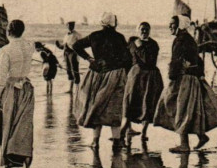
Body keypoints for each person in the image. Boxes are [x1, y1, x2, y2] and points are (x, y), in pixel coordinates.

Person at [154, 15, 217, 153]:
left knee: (181, 109)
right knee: (189, 109)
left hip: (183, 79)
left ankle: (184, 144)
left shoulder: (180, 40)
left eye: (173, 24)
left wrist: (172, 76)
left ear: (180, 25)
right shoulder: (189, 39)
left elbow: (176, 61)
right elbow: (198, 60)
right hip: (191, 79)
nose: (170, 26)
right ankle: (201, 136)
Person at [73, 12, 132, 149]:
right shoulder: (119, 37)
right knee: (114, 110)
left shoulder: (95, 36)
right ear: (114, 24)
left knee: (96, 107)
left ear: (102, 23)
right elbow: (128, 59)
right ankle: (117, 142)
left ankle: (95, 141)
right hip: (115, 75)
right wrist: (125, 73)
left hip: (97, 75)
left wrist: (89, 59)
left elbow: (76, 46)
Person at [0, 20, 35, 168]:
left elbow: (1, 77)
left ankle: (8, 162)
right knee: (24, 125)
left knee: (7, 124)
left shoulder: (5, 50)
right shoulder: (30, 47)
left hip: (11, 89)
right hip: (27, 88)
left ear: (7, 32)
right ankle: (26, 159)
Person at [120, 22, 163, 143]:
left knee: (148, 103)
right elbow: (126, 59)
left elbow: (147, 60)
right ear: (137, 30)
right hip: (135, 77)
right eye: (142, 29)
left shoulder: (153, 44)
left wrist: (139, 46)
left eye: (146, 30)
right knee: (131, 101)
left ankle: (144, 132)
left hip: (150, 77)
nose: (144, 32)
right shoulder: (132, 43)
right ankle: (125, 130)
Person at [60, 21, 81, 93]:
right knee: (69, 70)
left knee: (75, 70)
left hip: (73, 54)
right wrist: (59, 45)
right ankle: (70, 89)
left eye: (72, 25)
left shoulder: (77, 35)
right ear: (66, 26)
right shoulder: (65, 35)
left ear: (74, 26)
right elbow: (63, 46)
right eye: (69, 26)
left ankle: (77, 89)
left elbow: (80, 45)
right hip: (66, 53)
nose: (70, 27)